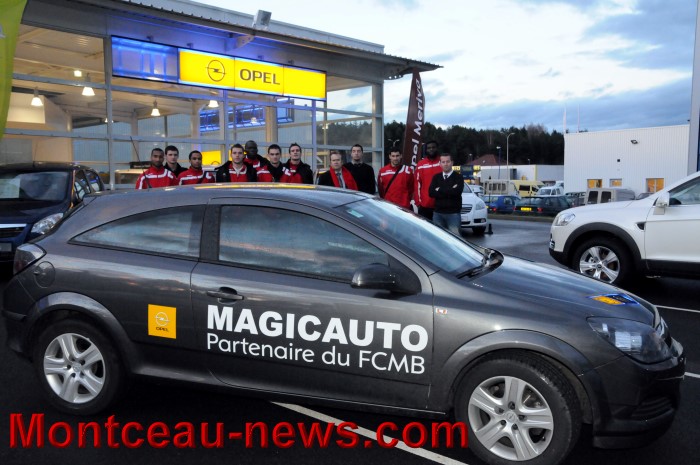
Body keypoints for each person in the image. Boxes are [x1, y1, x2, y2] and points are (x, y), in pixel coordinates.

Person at [429, 153, 464, 235]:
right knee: (438, 238)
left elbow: (457, 192)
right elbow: (431, 193)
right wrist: (450, 189)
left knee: (455, 239)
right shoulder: (436, 177)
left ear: (452, 163)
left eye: (448, 161)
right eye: (443, 162)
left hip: (453, 214)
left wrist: (439, 189)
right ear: (440, 164)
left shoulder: (458, 177)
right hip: (438, 214)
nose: (445, 164)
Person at [414, 140, 443, 220]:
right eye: (429, 148)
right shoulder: (420, 164)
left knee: (439, 228)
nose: (431, 149)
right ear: (426, 150)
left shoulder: (443, 162)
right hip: (424, 205)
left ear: (437, 148)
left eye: (433, 147)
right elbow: (417, 184)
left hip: (441, 205)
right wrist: (418, 203)